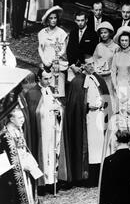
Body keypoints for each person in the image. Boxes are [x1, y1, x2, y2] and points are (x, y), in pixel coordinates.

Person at [0, 107, 43, 204]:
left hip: (23, 170)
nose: (23, 120)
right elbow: (8, 157)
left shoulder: (18, 129)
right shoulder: (5, 134)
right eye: (19, 118)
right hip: (12, 176)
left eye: (22, 117)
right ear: (11, 119)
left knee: (27, 199)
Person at [66, 54, 110, 186]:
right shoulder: (77, 82)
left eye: (93, 63)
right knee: (89, 147)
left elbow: (106, 96)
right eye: (88, 64)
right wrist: (86, 106)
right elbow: (74, 105)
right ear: (83, 66)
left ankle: (100, 175)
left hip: (100, 118)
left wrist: (104, 103)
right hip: (87, 119)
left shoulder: (99, 79)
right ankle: (88, 177)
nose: (91, 66)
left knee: (100, 146)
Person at [25, 67, 69, 195]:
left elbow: (59, 107)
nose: (48, 81)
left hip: (53, 128)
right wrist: (47, 110)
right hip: (41, 131)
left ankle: (53, 181)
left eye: (50, 78)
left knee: (53, 154)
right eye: (45, 78)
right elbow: (33, 113)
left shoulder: (50, 91)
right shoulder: (32, 93)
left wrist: (58, 111)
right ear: (39, 78)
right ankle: (43, 184)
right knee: (44, 155)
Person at [38, 6, 69, 99]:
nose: (53, 20)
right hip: (45, 64)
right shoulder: (42, 33)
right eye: (51, 18)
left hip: (57, 65)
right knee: (45, 93)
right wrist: (44, 60)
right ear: (47, 20)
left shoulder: (62, 33)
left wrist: (52, 60)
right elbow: (40, 48)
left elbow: (63, 50)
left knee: (57, 94)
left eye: (55, 18)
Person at [111, 26, 130, 104]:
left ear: (129, 41)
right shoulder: (117, 54)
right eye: (122, 40)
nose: (124, 43)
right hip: (118, 86)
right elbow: (113, 72)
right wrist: (115, 86)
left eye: (126, 40)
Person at [93, 21, 118, 109]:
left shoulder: (116, 47)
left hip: (110, 78)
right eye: (101, 33)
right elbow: (94, 60)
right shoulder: (98, 46)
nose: (103, 35)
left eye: (105, 32)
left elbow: (117, 63)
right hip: (100, 77)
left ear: (110, 33)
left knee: (111, 97)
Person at [66, 11, 98, 81]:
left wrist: (86, 66)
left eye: (82, 20)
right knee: (73, 88)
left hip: (87, 67)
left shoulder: (93, 33)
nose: (80, 23)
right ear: (75, 21)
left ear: (86, 20)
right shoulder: (73, 32)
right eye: (78, 20)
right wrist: (72, 65)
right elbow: (69, 50)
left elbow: (95, 52)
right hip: (73, 66)